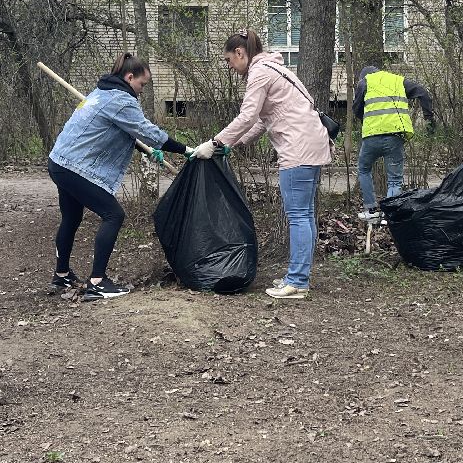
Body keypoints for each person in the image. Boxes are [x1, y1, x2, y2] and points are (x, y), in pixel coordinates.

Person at [192, 30, 332, 301]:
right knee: (305, 214)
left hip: (298, 149)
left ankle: (297, 282)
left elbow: (247, 116)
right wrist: (235, 144)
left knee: (299, 216)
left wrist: (215, 143)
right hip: (311, 144)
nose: (229, 67)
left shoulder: (259, 73)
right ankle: (298, 276)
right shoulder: (273, 67)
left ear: (240, 53)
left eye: (229, 60)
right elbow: (260, 121)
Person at [47, 52, 188, 300]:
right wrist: (186, 150)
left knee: (71, 216)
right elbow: (147, 131)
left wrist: (148, 149)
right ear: (129, 77)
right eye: (142, 84)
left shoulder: (102, 92)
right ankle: (98, 282)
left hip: (59, 161)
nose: (142, 90)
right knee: (113, 214)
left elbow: (117, 130)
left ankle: (61, 276)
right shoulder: (122, 100)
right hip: (73, 166)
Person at [350, 63, 436, 222]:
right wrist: (429, 118)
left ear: (365, 75)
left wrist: (365, 118)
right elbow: (422, 92)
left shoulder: (364, 82)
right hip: (395, 136)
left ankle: (371, 210)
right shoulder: (398, 81)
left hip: (372, 136)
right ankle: (389, 215)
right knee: (395, 179)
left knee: (364, 169)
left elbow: (356, 108)